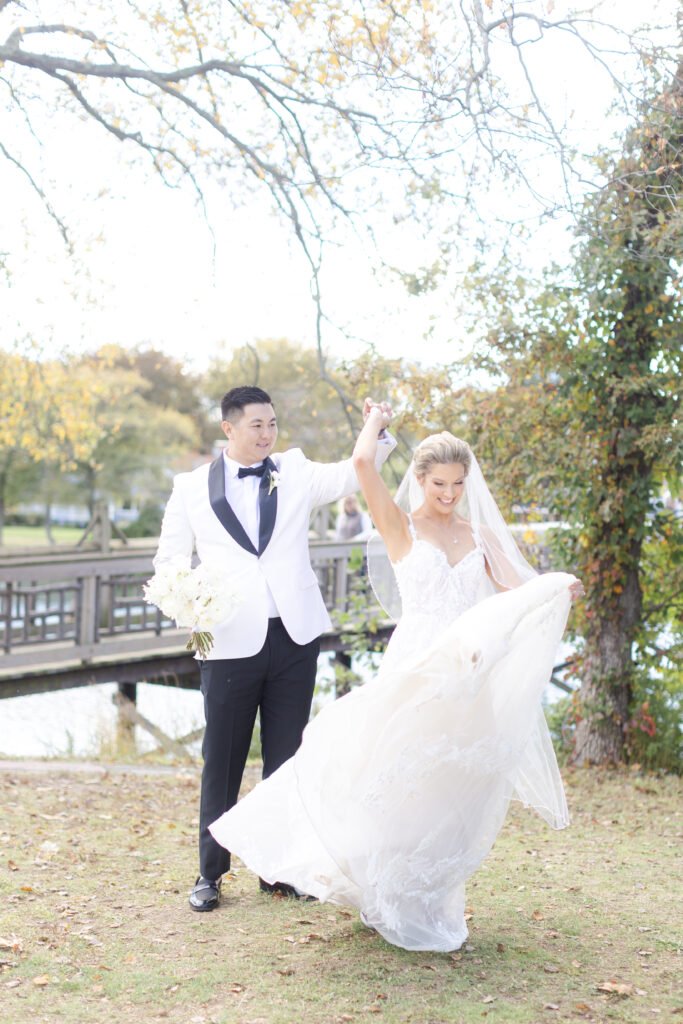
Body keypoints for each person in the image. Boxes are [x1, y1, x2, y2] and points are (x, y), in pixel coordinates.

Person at [209, 402, 582, 951]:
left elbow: (515, 592)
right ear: (420, 479)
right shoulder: (399, 524)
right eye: (438, 483)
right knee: (397, 776)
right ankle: (382, 888)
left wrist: (554, 590)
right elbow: (362, 464)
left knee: (452, 787)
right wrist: (374, 420)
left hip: (468, 669)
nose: (449, 493)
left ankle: (430, 895)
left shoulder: (480, 535)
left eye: (458, 483)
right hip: (417, 663)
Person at [153, 386, 395, 912]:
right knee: (223, 761)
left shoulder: (297, 471)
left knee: (286, 761)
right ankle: (210, 874)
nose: (267, 434)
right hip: (227, 641)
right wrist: (189, 602)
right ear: (229, 429)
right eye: (256, 425)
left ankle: (278, 872)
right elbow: (168, 561)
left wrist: (376, 425)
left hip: (294, 637)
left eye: (272, 424)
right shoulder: (191, 488)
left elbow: (354, 472)